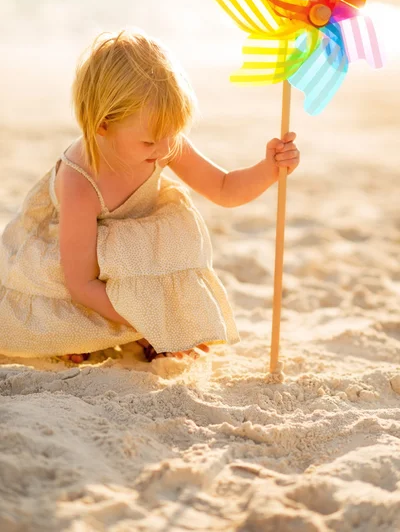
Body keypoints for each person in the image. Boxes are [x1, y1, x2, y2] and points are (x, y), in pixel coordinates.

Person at [0, 27, 300, 364]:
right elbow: (80, 282)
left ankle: (125, 332)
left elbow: (224, 188)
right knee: (58, 302)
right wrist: (156, 324)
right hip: (75, 260)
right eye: (149, 143)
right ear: (103, 125)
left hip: (128, 248)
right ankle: (103, 335)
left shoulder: (163, 140)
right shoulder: (79, 182)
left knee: (175, 239)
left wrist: (269, 168)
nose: (162, 151)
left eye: (171, 136)